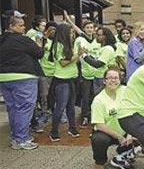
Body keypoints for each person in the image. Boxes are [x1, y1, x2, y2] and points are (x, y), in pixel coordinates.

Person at [0, 10, 44, 150]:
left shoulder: (1, 39)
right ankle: (21, 139)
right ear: (11, 26)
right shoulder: (23, 39)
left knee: (13, 108)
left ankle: (16, 137)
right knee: (24, 108)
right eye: (21, 25)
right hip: (23, 77)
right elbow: (39, 53)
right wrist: (38, 44)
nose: (24, 28)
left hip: (4, 78)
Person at [91, 67, 134, 169]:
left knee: (141, 133)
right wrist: (119, 137)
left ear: (120, 80)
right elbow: (100, 125)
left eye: (116, 78)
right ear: (104, 81)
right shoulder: (99, 100)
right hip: (107, 132)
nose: (113, 80)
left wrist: (130, 133)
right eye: (109, 78)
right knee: (99, 139)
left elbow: (132, 111)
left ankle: (123, 155)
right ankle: (100, 161)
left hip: (125, 129)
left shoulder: (125, 91)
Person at [48, 23, 83, 142]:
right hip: (61, 80)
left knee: (71, 106)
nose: (72, 35)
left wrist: (79, 54)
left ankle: (72, 128)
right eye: (70, 32)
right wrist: (78, 54)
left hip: (71, 79)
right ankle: (54, 132)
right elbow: (63, 63)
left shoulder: (70, 45)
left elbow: (74, 61)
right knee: (60, 107)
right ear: (64, 33)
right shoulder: (58, 46)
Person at [82, 27, 117, 92]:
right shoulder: (102, 47)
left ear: (105, 37)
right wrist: (88, 55)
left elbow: (98, 64)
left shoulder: (107, 49)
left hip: (103, 78)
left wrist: (84, 55)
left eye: (99, 35)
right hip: (98, 76)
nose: (96, 37)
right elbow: (97, 60)